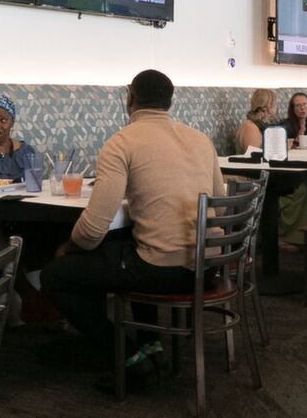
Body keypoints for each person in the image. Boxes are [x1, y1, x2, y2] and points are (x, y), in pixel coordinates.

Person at [40, 70, 223, 392]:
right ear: (170, 101)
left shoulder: (122, 142)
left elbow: (94, 227)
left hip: (163, 270)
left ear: (130, 97)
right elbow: (219, 205)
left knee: (56, 274)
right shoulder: (200, 139)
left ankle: (128, 357)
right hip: (208, 266)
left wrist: (68, 247)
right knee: (131, 244)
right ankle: (151, 344)